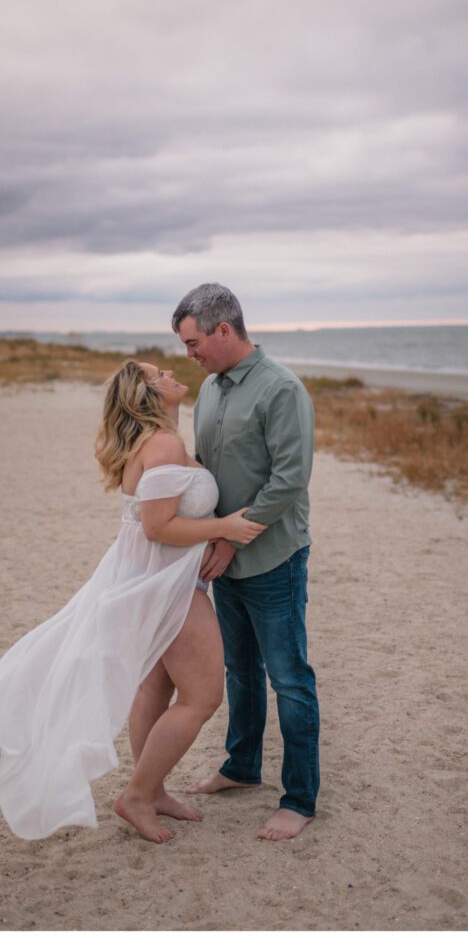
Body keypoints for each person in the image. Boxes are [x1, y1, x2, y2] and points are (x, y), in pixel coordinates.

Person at [0, 359, 265, 844]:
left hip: (147, 578)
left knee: (155, 690)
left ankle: (153, 790)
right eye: (159, 374)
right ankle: (138, 795)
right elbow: (157, 526)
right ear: (146, 394)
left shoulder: (151, 443)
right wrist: (224, 528)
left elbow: (152, 524)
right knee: (203, 696)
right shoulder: (164, 444)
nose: (170, 373)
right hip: (165, 586)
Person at [172, 283, 320, 841]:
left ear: (225, 330)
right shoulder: (210, 388)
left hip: (273, 556)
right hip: (221, 554)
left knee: (290, 679)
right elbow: (207, 467)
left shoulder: (281, 389)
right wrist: (204, 533)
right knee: (240, 670)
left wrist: (233, 538)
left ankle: (300, 799)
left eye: (194, 343)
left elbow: (289, 479)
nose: (191, 355)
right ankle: (241, 767)